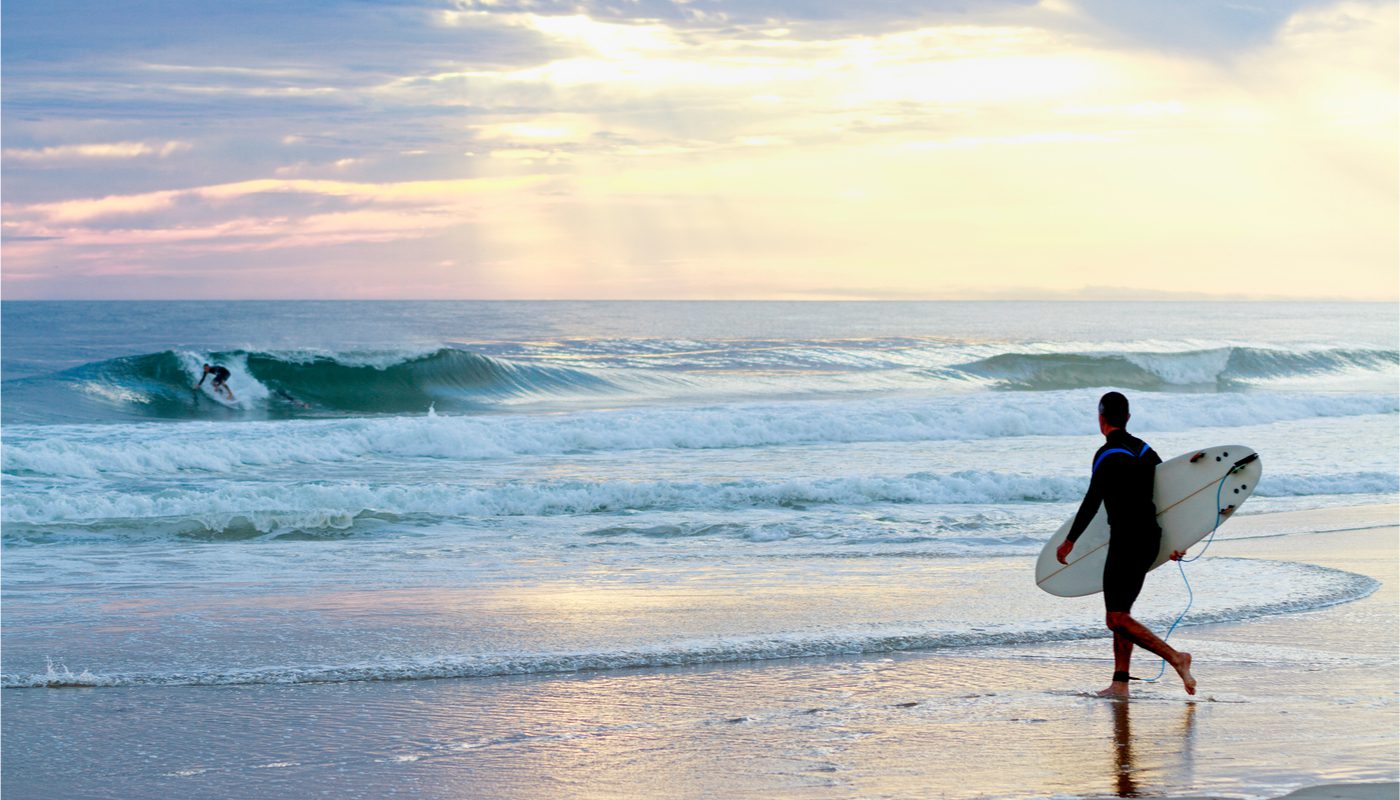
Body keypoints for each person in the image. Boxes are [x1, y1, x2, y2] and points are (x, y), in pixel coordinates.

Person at [1056, 391, 1196, 698]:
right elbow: (1170, 496)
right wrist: (1178, 540)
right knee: (1123, 612)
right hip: (1150, 539)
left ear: (1101, 419)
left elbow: (1092, 502)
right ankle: (1120, 682)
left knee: (1116, 618)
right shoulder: (1144, 449)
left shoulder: (1105, 455)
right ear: (1128, 418)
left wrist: (1069, 541)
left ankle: (1176, 657)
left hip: (1127, 540)